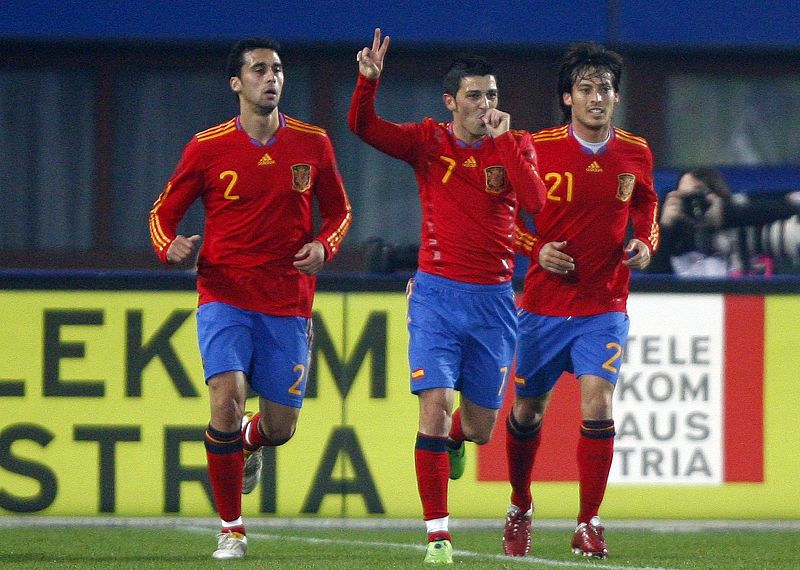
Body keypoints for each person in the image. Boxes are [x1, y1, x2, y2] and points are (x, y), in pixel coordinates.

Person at [148, 37, 352, 560]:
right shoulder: (207, 146)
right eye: (259, 69)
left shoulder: (312, 143)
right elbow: (161, 215)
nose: (271, 77)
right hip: (224, 296)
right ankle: (232, 529)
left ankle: (251, 439)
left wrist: (324, 247)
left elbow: (340, 212)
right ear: (236, 83)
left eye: (277, 69)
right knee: (226, 396)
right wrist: (169, 246)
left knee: (280, 428)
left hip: (287, 302)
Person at [349, 28, 546, 564]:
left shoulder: (516, 144)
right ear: (451, 102)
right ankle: (438, 535)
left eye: (492, 95)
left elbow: (537, 203)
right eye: (475, 95)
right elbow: (364, 127)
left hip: (494, 303)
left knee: (479, 428)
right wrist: (368, 83)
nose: (485, 105)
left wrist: (504, 142)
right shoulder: (427, 141)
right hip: (436, 295)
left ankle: (458, 439)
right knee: (433, 408)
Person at [503, 42, 660, 559]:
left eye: (605, 89)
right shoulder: (536, 147)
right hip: (543, 306)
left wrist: (645, 242)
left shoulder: (635, 152)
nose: (597, 97)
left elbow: (647, 203)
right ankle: (520, 505)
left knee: (598, 402)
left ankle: (589, 522)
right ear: (568, 97)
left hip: (604, 303)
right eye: (586, 89)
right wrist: (536, 248)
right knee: (528, 411)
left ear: (616, 97)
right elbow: (504, 213)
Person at [650, 167, 799, 276]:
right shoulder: (676, 244)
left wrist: (727, 214)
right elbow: (652, 285)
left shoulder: (748, 223)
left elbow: (790, 209)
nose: (693, 203)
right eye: (686, 197)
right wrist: (666, 227)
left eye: (699, 194)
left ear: (719, 196)